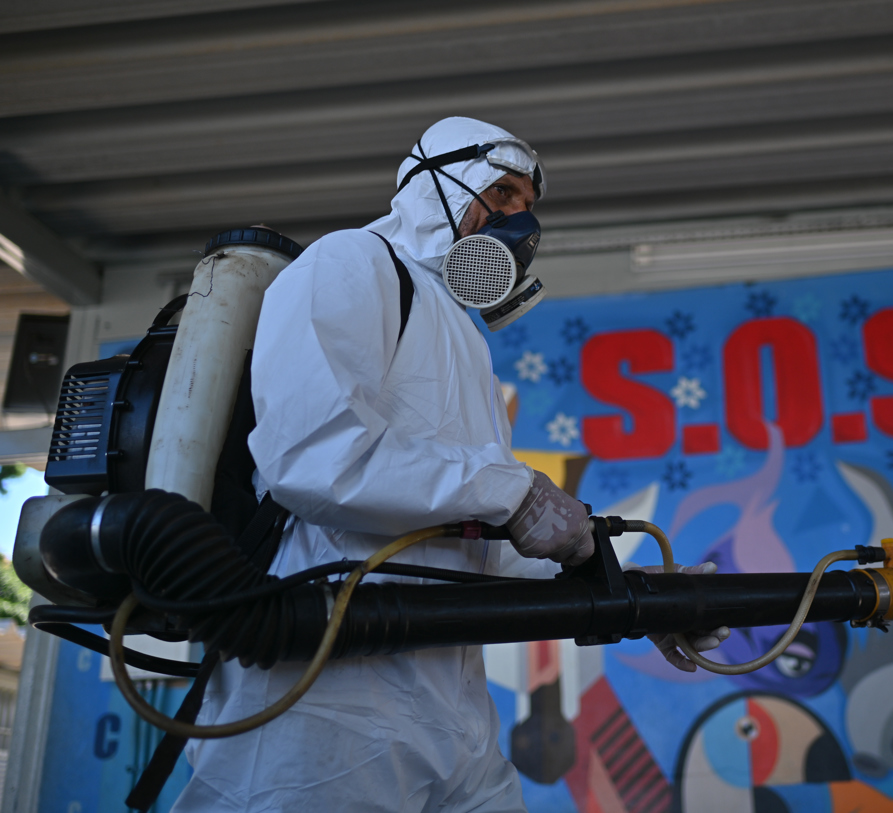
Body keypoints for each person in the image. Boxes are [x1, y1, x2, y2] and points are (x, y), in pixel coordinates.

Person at [171, 117, 726, 812]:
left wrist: (638, 591)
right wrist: (513, 492)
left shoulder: (463, 333)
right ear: (438, 182)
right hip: (326, 702)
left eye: (528, 206)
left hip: (453, 707)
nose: (520, 224)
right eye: (503, 194)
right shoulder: (350, 262)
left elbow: (474, 539)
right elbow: (314, 456)